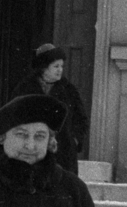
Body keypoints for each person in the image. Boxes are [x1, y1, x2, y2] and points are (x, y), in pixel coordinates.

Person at [10, 43, 89, 174]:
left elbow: (81, 119)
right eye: (56, 66)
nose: (60, 70)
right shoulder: (25, 88)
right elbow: (13, 115)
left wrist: (74, 140)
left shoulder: (69, 90)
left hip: (63, 153)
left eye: (62, 66)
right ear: (44, 68)